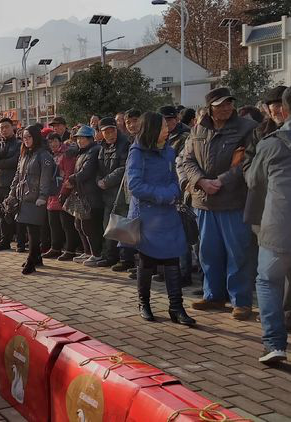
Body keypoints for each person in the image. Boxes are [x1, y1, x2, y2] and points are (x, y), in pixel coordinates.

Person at [179, 87, 257, 320]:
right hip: (204, 202)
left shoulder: (247, 128)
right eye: (221, 104)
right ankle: (213, 295)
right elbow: (187, 159)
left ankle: (240, 301)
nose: (226, 108)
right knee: (208, 252)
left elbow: (245, 162)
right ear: (210, 107)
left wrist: (219, 182)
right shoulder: (198, 129)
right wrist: (201, 181)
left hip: (233, 201)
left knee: (238, 252)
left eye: (229, 103)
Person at [127, 112, 195, 326]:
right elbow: (134, 185)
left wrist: (174, 191)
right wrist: (163, 195)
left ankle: (176, 307)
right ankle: (144, 303)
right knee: (147, 260)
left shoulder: (168, 151)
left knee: (173, 258)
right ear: (153, 129)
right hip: (147, 215)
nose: (168, 130)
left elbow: (175, 178)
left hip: (168, 214)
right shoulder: (137, 152)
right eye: (164, 127)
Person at [245, 86, 291, 364]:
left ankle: (275, 344)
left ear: (284, 110)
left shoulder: (271, 143)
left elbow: (253, 181)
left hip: (278, 228)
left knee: (268, 282)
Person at [5, 125, 55, 274]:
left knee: (33, 231)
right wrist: (12, 192)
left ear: (35, 137)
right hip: (23, 197)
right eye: (24, 138)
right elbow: (17, 176)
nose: (26, 140)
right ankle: (37, 257)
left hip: (36, 199)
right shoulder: (25, 154)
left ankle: (31, 261)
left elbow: (45, 178)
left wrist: (42, 196)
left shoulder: (43, 155)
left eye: (29, 137)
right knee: (28, 229)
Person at [67, 125, 104, 266]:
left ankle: (96, 254)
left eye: (83, 138)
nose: (79, 141)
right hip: (82, 194)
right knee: (79, 224)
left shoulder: (94, 151)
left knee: (89, 226)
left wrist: (71, 179)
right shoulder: (83, 152)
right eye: (78, 138)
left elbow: (86, 172)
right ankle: (88, 251)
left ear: (90, 138)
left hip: (92, 195)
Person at [96, 117, 131, 268]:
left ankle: (125, 260)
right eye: (106, 132)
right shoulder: (102, 147)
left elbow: (124, 168)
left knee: (122, 227)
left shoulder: (125, 145)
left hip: (120, 193)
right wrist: (99, 180)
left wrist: (107, 180)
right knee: (108, 226)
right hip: (106, 194)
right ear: (101, 133)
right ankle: (110, 257)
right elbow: (98, 167)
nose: (110, 134)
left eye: (112, 130)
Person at [0, 118, 24, 252]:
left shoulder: (19, 144)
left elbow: (15, 161)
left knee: (17, 213)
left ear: (12, 127)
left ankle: (21, 242)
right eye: (1, 128)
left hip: (13, 183)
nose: (4, 130)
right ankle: (5, 240)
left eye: (6, 127)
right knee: (2, 213)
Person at [45, 133, 79, 261]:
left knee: (67, 224)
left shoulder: (67, 154)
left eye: (54, 141)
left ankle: (70, 250)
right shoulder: (52, 155)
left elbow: (68, 175)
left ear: (60, 141)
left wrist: (64, 192)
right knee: (53, 224)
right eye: (49, 142)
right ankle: (55, 248)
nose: (52, 144)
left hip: (64, 193)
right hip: (52, 194)